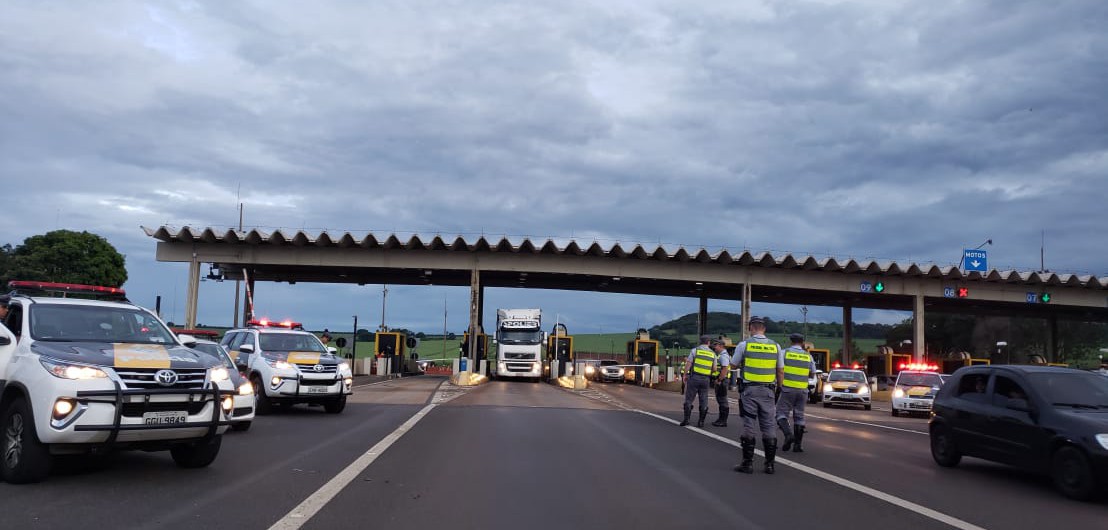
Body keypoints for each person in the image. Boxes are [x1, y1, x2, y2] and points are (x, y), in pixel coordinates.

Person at [730, 316, 785, 474]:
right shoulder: (776, 346)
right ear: (764, 329)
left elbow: (733, 364)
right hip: (768, 391)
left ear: (750, 328)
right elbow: (780, 370)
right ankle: (769, 465)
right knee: (768, 425)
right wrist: (779, 388)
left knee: (749, 425)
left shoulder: (744, 345)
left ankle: (747, 464)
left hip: (750, 391)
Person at [776, 333, 817, 453]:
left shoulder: (784, 353)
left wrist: (779, 386)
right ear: (802, 342)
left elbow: (779, 369)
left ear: (791, 341)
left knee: (781, 414)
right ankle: (798, 446)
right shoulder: (808, 356)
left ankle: (788, 435)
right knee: (799, 416)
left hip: (788, 388)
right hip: (803, 390)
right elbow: (812, 373)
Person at [679, 334, 721, 427]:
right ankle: (701, 422)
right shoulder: (713, 354)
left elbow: (688, 364)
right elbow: (714, 369)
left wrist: (685, 375)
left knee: (689, 399)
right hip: (705, 379)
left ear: (700, 342)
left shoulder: (695, 351)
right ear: (708, 342)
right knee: (703, 399)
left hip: (694, 378)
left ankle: (686, 420)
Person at [710, 338, 732, 427]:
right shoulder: (721, 355)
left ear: (721, 346)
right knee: (720, 400)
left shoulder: (723, 356)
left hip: (722, 381)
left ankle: (723, 421)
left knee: (722, 400)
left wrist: (719, 380)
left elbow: (724, 369)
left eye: (715, 346)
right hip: (721, 380)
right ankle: (721, 419)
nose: (714, 348)